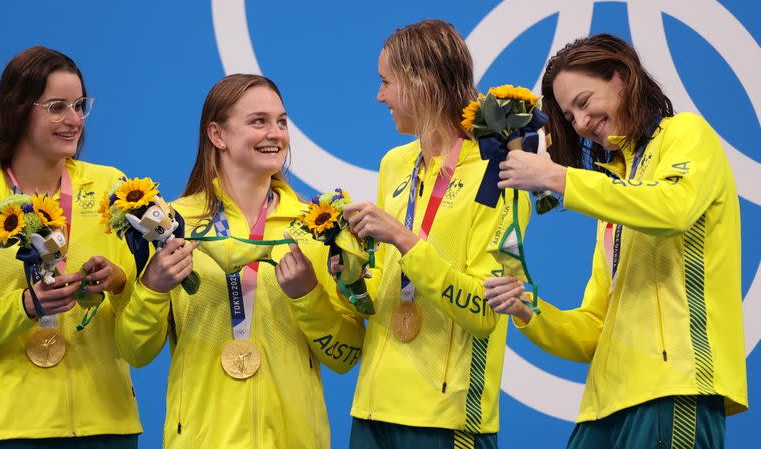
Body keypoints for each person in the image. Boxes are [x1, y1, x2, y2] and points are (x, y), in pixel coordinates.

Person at [485, 33, 747, 448]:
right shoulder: (615, 196)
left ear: (622, 78)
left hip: (673, 388)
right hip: (603, 407)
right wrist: (527, 309)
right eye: (570, 117)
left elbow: (672, 208)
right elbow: (594, 328)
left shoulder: (685, 133)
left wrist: (556, 177)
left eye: (584, 102)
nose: (582, 123)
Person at [114, 73, 365, 448]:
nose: (275, 133)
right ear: (217, 135)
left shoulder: (315, 227)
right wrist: (152, 287)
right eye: (258, 121)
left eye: (281, 121)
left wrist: (308, 296)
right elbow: (135, 351)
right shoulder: (172, 224)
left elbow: (346, 356)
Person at [340, 19, 530, 448]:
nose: (379, 95)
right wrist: (350, 271)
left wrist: (406, 240)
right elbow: (389, 286)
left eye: (387, 82)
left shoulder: (500, 170)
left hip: (448, 419)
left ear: (422, 81)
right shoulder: (394, 163)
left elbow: (486, 311)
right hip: (372, 409)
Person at [0, 46, 141, 448]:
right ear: (19, 110)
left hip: (109, 423)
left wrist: (117, 281)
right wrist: (26, 306)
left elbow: (143, 308)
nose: (74, 120)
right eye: (57, 107)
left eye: (79, 105)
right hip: (15, 429)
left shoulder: (112, 186)